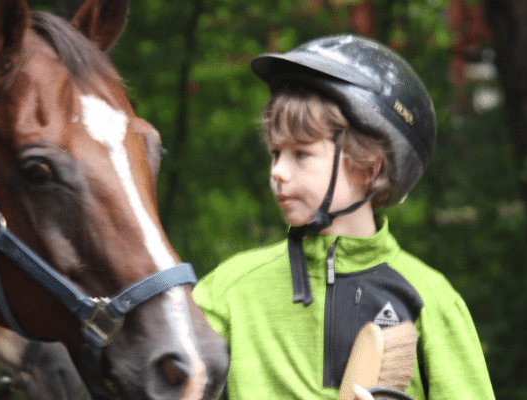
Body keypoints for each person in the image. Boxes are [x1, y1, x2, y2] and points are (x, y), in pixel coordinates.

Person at [191, 35, 496, 399]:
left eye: (301, 154)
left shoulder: (432, 301)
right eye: (275, 153)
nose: (278, 172)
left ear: (368, 165)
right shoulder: (226, 292)